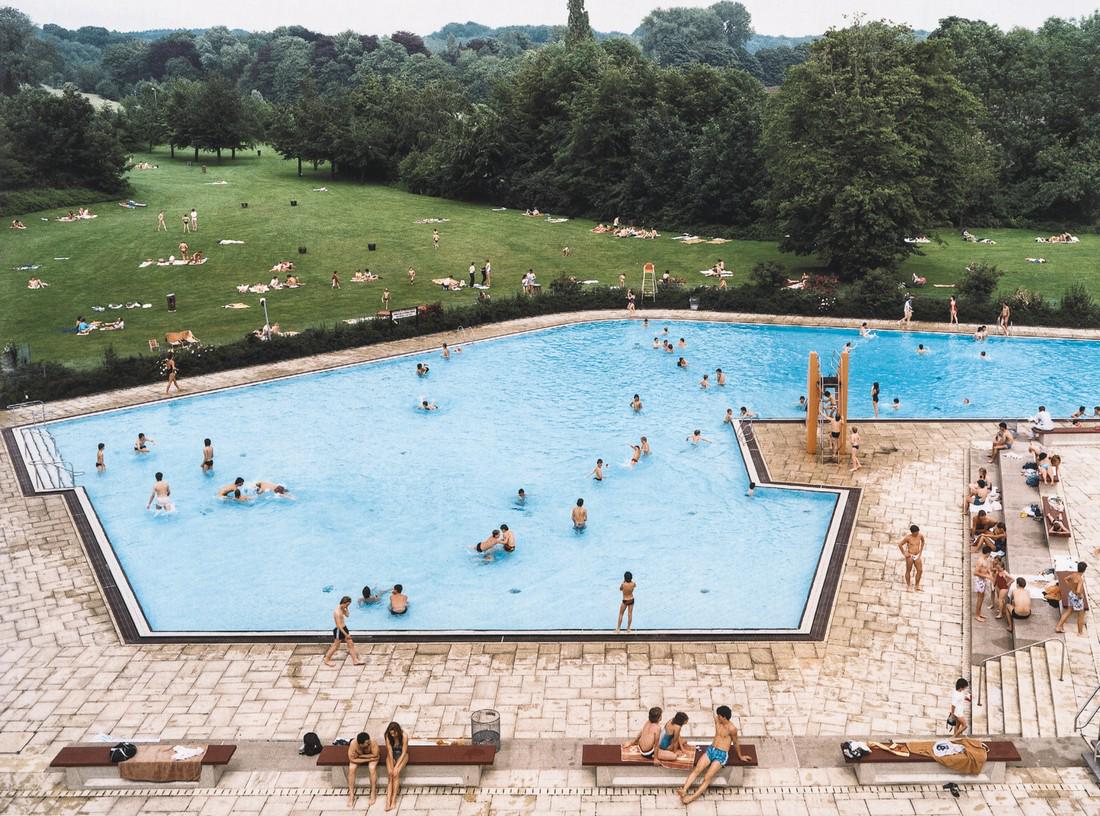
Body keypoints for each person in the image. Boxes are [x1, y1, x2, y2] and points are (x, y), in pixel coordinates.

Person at [678, 706, 750, 804]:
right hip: (711, 750)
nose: (717, 717)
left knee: (707, 777)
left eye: (719, 716)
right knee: (697, 770)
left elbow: (736, 743)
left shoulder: (732, 729)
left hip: (721, 754)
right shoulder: (717, 720)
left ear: (724, 717)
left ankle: (691, 798)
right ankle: (684, 790)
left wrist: (740, 756)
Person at [347, 732, 379, 808]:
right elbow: (352, 759)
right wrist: (367, 758)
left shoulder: (373, 742)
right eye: (366, 744)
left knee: (372, 768)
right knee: (351, 769)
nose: (368, 744)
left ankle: (373, 792)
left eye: (368, 742)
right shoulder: (353, 744)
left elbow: (375, 755)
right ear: (360, 744)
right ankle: (351, 795)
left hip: (364, 757)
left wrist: (360, 756)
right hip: (362, 759)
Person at [1056, 562, 1088, 635]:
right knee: (1081, 615)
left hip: (1071, 594)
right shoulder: (1080, 579)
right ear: (1084, 570)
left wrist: (1070, 586)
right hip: (1076, 597)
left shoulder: (1074, 574)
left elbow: (1065, 579)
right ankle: (1080, 632)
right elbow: (1078, 590)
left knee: (1069, 611)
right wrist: (1080, 596)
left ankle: (1059, 626)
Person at [384, 722, 409, 811]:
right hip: (392, 756)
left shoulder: (404, 736)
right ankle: (388, 801)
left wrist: (396, 766)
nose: (393, 735)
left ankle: (393, 799)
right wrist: (392, 763)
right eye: (391, 733)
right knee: (390, 775)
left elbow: (404, 752)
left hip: (402, 756)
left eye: (395, 733)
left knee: (396, 773)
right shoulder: (388, 736)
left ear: (398, 731)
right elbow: (390, 752)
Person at [898, 525, 925, 591]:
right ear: (912, 532)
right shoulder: (908, 538)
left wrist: (920, 552)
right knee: (908, 570)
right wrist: (904, 553)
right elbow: (900, 544)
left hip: (917, 555)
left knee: (920, 570)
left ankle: (917, 585)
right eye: (916, 533)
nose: (917, 534)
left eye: (918, 532)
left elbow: (923, 542)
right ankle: (908, 585)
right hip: (910, 555)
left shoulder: (920, 536)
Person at [973, 546, 994, 622]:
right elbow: (975, 572)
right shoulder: (980, 561)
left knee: (982, 598)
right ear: (988, 553)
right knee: (979, 598)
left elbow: (987, 568)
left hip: (983, 580)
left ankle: (979, 613)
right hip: (980, 580)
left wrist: (990, 573)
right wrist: (986, 576)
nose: (990, 555)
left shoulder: (985, 559)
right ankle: (977, 615)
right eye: (990, 553)